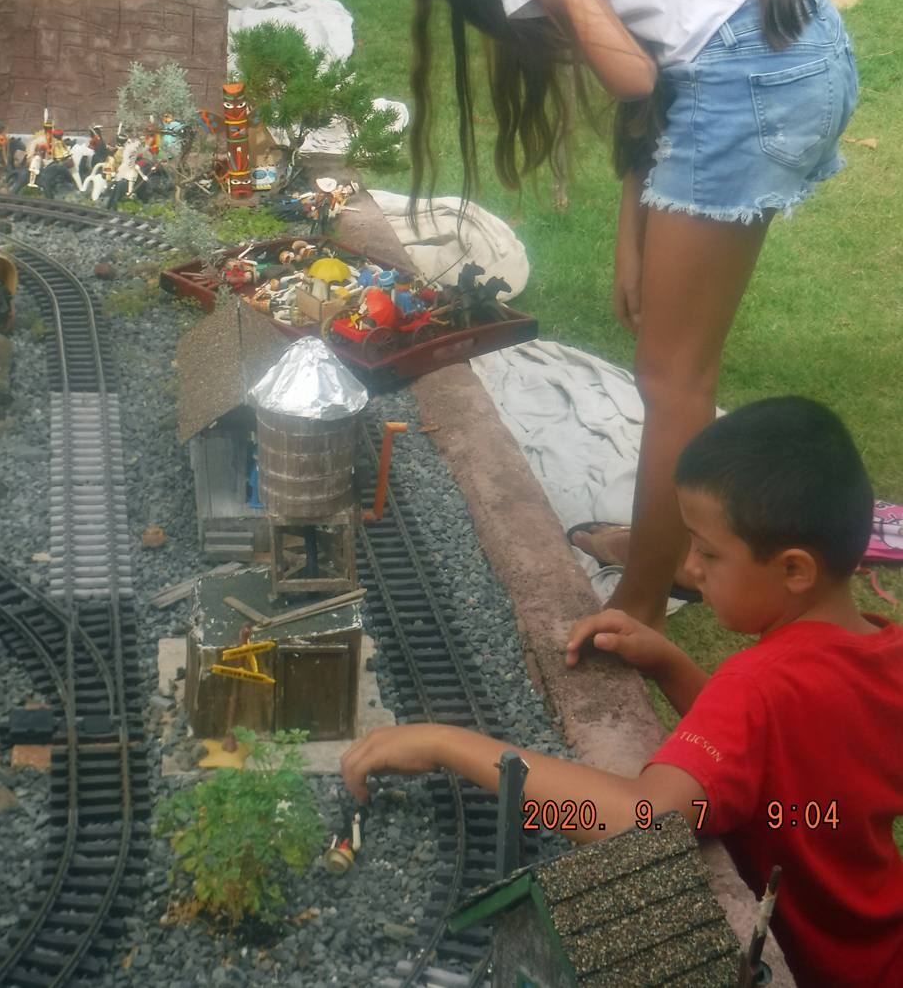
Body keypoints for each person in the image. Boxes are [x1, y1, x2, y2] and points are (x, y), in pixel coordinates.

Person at [337, 0, 859, 629]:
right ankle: (668, 550)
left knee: (672, 376)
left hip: (746, 80)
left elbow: (631, 69)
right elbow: (670, 53)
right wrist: (634, 230)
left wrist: (552, 2)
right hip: (799, 53)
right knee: (673, 357)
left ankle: (642, 603)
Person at [341, 397, 903, 988]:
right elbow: (784, 752)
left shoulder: (756, 687)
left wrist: (448, 744)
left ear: (794, 570)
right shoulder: (882, 651)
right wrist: (670, 664)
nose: (691, 567)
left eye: (708, 551)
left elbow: (639, 824)